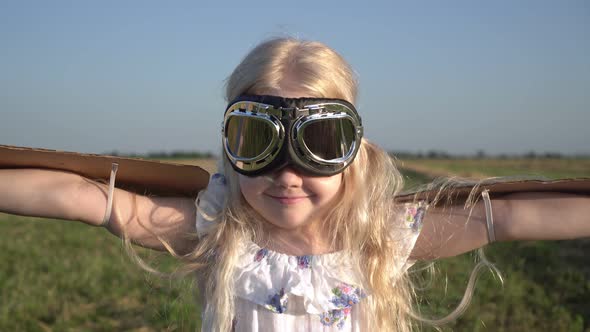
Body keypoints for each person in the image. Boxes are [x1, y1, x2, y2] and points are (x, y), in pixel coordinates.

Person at [0, 37, 588, 332]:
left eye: (320, 147)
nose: (287, 174)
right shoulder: (217, 230)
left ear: (353, 152)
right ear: (231, 150)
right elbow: (85, 199)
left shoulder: (382, 238)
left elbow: (505, 218)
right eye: (258, 144)